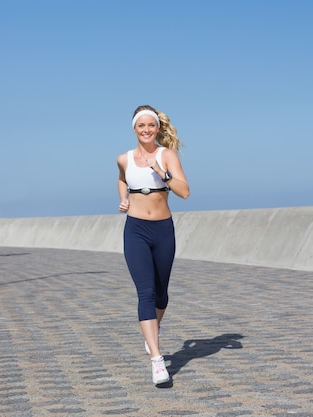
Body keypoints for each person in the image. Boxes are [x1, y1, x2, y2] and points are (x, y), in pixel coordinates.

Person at [116, 105, 190, 385]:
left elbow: (185, 192)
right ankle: (157, 361)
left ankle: (152, 331)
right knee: (145, 293)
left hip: (163, 230)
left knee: (161, 295)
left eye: (151, 125)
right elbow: (122, 180)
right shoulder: (123, 158)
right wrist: (124, 199)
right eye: (141, 126)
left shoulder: (166, 155)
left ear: (158, 128)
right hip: (136, 230)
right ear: (134, 129)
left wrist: (162, 172)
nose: (146, 130)